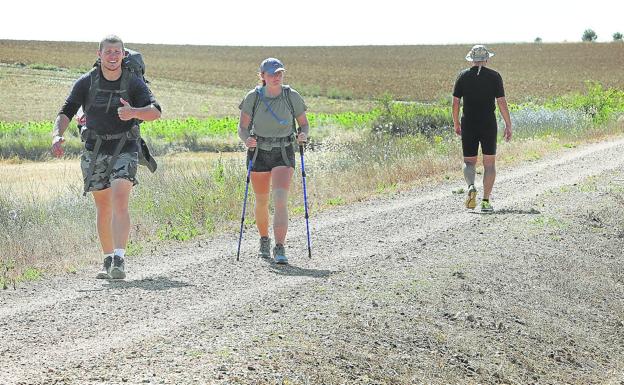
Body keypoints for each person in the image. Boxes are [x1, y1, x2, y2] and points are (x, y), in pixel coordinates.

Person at [51, 35, 162, 279]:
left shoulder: (133, 82)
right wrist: (56, 135)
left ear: (123, 55)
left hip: (125, 146)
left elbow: (155, 112)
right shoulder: (86, 82)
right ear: (99, 55)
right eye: (108, 52)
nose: (112, 56)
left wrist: (133, 112)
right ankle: (108, 259)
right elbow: (66, 110)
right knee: (103, 207)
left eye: (117, 52)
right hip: (95, 149)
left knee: (120, 199)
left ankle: (120, 261)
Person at [238, 58, 309, 265]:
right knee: (261, 201)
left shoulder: (291, 96)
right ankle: (264, 240)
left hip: (283, 152)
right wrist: (246, 140)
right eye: (271, 74)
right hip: (258, 151)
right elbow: (242, 128)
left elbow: (304, 124)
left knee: (279, 200)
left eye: (279, 73)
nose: (276, 77)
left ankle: (280, 247)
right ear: (262, 76)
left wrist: (303, 135)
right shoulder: (253, 97)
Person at [452, 45, 512, 212]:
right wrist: (508, 124)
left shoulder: (462, 76)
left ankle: (471, 186)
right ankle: (485, 202)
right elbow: (501, 102)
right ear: (486, 59)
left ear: (471, 59)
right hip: (488, 124)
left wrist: (456, 123)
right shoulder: (495, 76)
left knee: (469, 162)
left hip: (469, 123)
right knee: (489, 164)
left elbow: (455, 102)